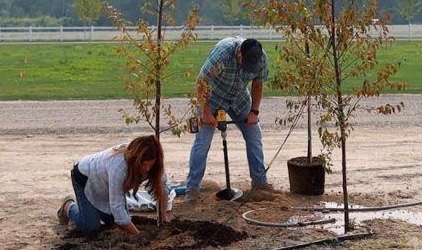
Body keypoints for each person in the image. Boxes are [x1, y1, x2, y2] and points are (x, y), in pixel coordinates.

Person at [186, 37, 270, 193]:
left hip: (239, 97)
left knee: (255, 135)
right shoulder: (223, 55)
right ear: (239, 53)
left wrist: (254, 111)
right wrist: (206, 113)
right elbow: (201, 83)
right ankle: (192, 188)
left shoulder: (261, 58)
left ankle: (260, 183)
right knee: (202, 142)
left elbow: (258, 84)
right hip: (212, 97)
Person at [57, 134, 171, 235]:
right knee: (91, 228)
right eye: (144, 164)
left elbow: (163, 188)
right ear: (135, 159)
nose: (147, 169)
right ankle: (69, 206)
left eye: (151, 164)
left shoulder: (155, 165)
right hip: (85, 177)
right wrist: (138, 236)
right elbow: (118, 210)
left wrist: (164, 215)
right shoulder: (119, 167)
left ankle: (90, 210)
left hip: (107, 186)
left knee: (113, 222)